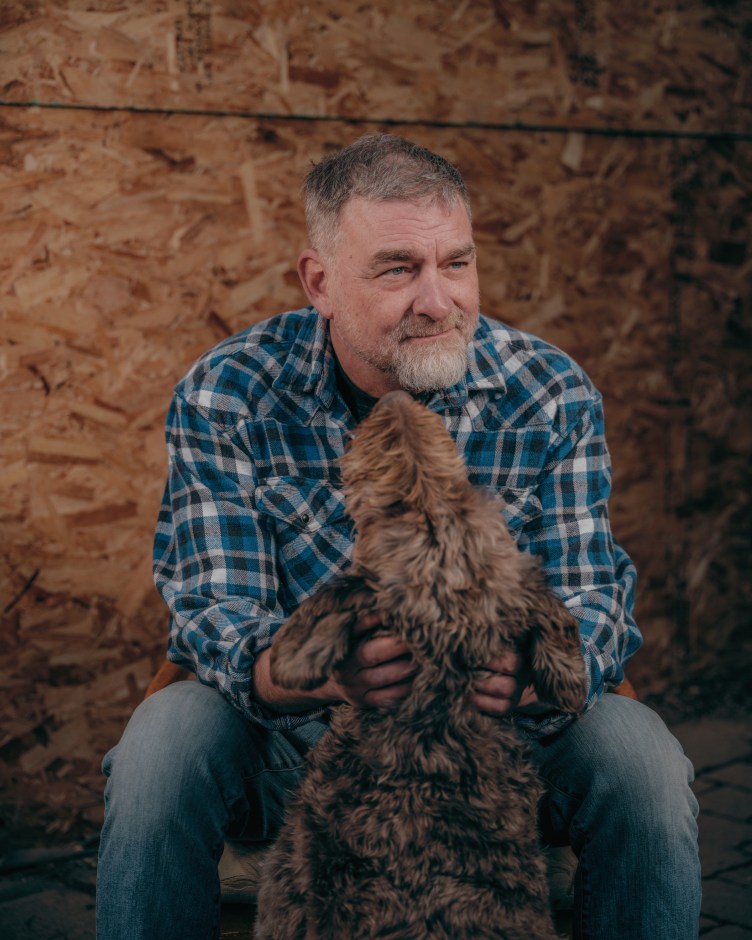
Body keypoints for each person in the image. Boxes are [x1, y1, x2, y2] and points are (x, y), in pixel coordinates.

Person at [96, 134, 700, 939]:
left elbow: (592, 597)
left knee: (645, 763)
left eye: (457, 263)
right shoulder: (229, 391)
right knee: (159, 746)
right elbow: (213, 611)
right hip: (296, 744)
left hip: (493, 748)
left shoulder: (549, 392)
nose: (438, 300)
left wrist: (527, 676)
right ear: (320, 282)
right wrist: (317, 671)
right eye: (398, 269)